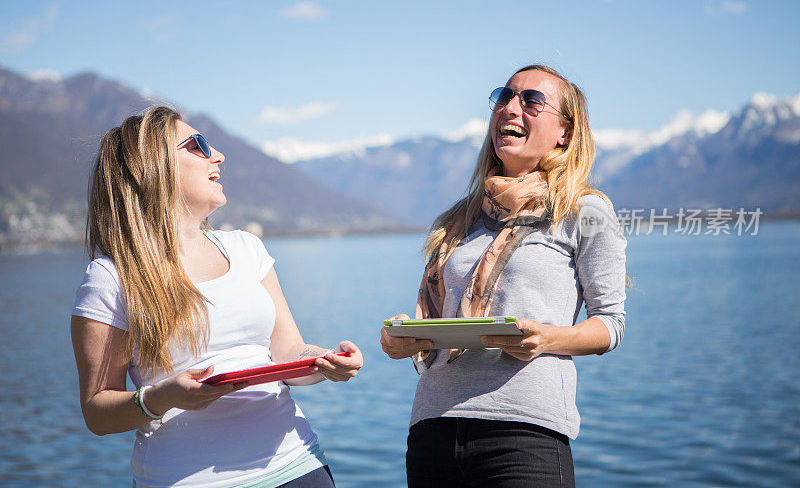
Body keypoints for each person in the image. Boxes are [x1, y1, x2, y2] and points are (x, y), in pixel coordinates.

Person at [71, 106, 363, 487]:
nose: (218, 155)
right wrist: (162, 397)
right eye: (198, 145)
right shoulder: (111, 278)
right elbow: (98, 412)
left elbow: (288, 351)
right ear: (154, 166)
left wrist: (323, 361)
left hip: (299, 467)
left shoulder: (247, 249)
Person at [380, 65, 628, 487]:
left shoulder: (585, 211)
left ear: (564, 133)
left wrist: (546, 338)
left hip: (524, 433)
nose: (511, 108)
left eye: (531, 100)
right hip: (434, 428)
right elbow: (439, 321)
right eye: (504, 97)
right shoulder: (457, 221)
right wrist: (401, 339)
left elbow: (610, 324)